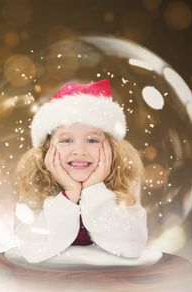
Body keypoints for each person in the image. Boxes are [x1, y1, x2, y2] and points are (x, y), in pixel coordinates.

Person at [14, 79, 147, 264]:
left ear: (112, 148)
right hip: (51, 283)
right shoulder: (37, 181)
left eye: (92, 140)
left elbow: (132, 246)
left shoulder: (123, 177)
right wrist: (69, 194)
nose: (80, 151)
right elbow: (32, 249)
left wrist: (94, 189)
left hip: (107, 282)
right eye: (66, 140)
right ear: (47, 148)